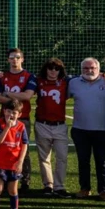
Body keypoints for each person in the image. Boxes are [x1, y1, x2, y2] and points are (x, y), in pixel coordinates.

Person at [68, 58, 105, 200]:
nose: (89, 71)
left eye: (92, 68)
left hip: (102, 130)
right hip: (80, 129)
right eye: (85, 68)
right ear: (81, 70)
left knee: (102, 161)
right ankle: (84, 188)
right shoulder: (73, 83)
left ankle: (103, 190)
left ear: (99, 69)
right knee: (83, 161)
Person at [0, 48, 37, 190]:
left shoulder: (29, 76)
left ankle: (25, 179)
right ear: (8, 60)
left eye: (17, 57)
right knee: (3, 146)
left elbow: (27, 96)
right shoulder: (2, 77)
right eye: (12, 58)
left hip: (22, 118)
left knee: (23, 148)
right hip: (4, 117)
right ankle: (5, 176)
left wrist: (7, 93)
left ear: (22, 59)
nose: (15, 60)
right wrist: (14, 95)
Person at [33, 58, 71, 197]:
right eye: (50, 68)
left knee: (62, 157)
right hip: (42, 124)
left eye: (56, 69)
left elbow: (85, 77)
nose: (53, 71)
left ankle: (59, 186)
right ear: (46, 69)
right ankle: (48, 185)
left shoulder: (66, 82)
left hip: (59, 125)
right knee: (44, 158)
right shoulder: (38, 81)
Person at [0, 101, 29, 209]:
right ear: (4, 111)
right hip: (1, 162)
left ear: (19, 114)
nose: (11, 114)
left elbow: (24, 144)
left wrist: (20, 161)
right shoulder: (0, 123)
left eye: (14, 112)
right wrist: (7, 127)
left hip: (14, 163)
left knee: (12, 190)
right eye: (8, 111)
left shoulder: (21, 126)